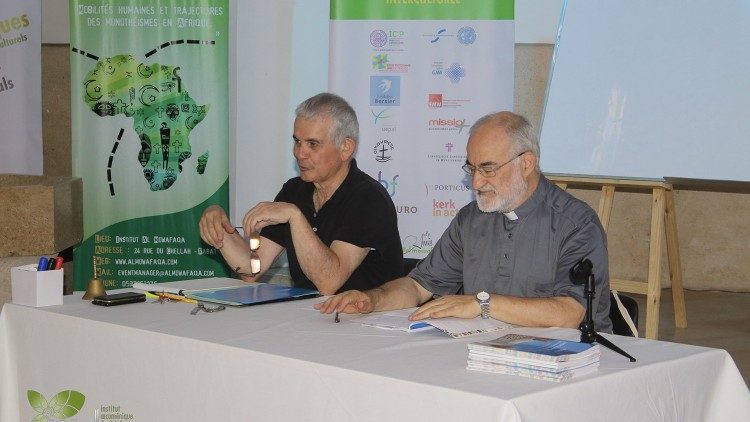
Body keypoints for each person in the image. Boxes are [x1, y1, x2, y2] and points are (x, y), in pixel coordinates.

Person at [316, 111, 612, 332]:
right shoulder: (471, 219)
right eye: (471, 168)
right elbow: (419, 286)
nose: (476, 182)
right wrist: (372, 300)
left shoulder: (576, 224)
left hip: (570, 363)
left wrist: (481, 303)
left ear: (526, 164)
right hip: (486, 353)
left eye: (488, 168)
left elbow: (571, 313)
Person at [199, 93, 403, 295]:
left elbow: (329, 283)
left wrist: (295, 216)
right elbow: (252, 269)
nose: (299, 153)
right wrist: (220, 229)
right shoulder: (294, 191)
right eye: (297, 141)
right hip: (309, 316)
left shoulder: (369, 198)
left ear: (345, 148)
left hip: (367, 321)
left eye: (312, 144)